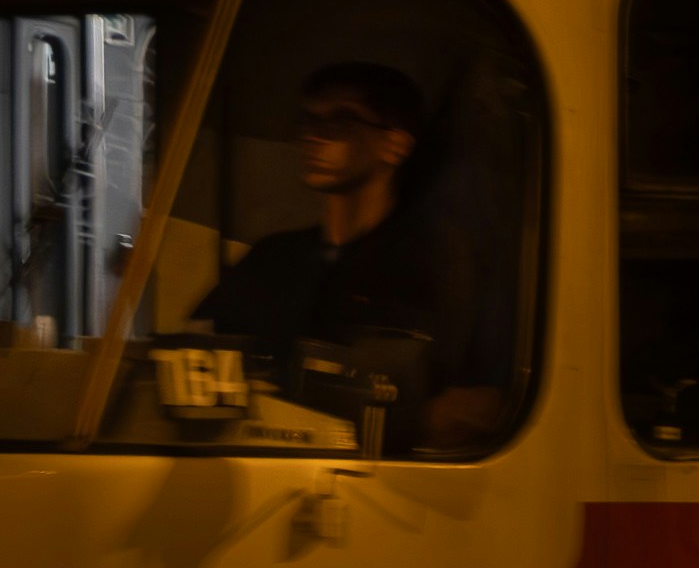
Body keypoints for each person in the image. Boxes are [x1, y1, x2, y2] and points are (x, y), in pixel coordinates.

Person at [201, 58, 507, 449]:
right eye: (309, 120)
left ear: (394, 145)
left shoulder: (438, 260)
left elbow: (474, 406)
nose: (314, 136)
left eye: (342, 120)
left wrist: (402, 425)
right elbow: (204, 359)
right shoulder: (272, 258)